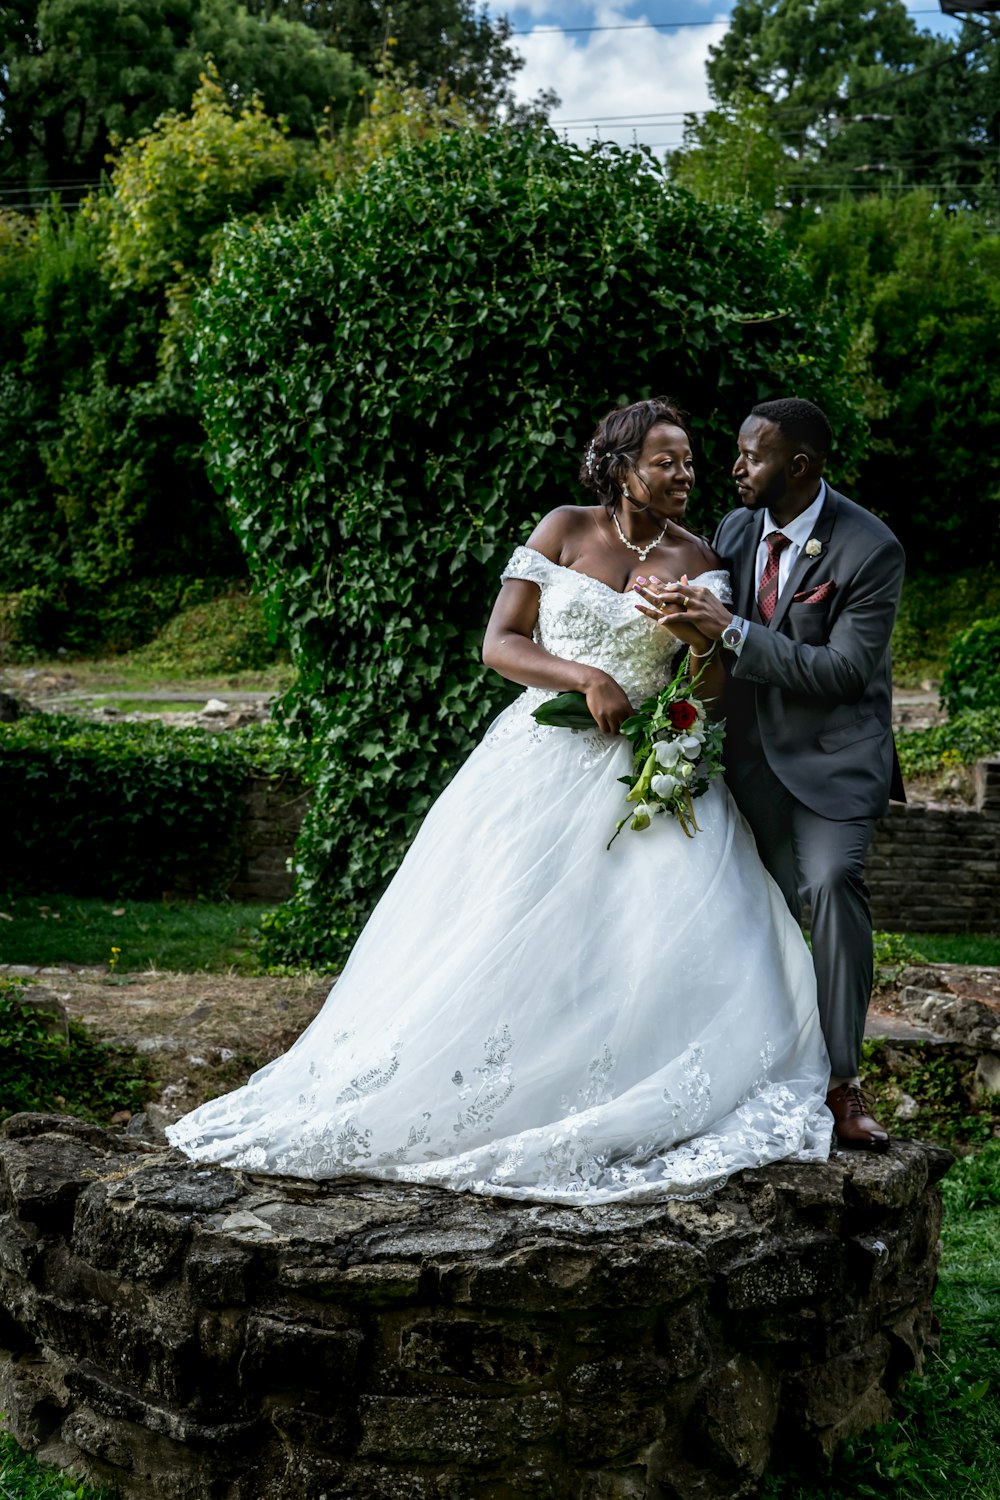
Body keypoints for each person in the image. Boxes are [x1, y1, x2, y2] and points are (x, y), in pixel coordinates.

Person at [167, 398, 833, 1203]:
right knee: (496, 923)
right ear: (621, 468)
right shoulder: (564, 529)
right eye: (667, 462)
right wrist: (587, 676)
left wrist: (699, 640)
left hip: (642, 773)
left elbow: (708, 687)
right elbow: (502, 644)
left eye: (691, 461)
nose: (686, 475)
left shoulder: (698, 559)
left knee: (644, 937)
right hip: (537, 760)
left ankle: (603, 1079)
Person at [635, 398, 904, 1152]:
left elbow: (846, 670)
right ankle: (742, 1075)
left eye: (750, 457)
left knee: (828, 887)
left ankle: (843, 1084)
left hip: (832, 766)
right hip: (745, 760)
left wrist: (734, 631)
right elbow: (712, 641)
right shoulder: (735, 528)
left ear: (800, 467)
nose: (733, 469)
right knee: (745, 906)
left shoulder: (870, 548)